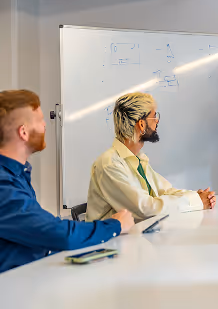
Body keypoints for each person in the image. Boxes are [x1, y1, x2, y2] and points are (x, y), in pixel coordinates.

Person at [0, 89, 135, 274]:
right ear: (23, 132)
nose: (45, 125)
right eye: (40, 120)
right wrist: (115, 225)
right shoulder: (3, 185)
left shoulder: (17, 175)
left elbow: (40, 230)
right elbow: (57, 234)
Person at [86, 92, 216, 223]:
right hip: (110, 242)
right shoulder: (110, 164)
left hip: (133, 236)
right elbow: (145, 209)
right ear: (141, 125)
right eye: (154, 117)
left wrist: (196, 197)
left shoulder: (137, 159)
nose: (157, 121)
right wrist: (197, 201)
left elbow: (165, 191)